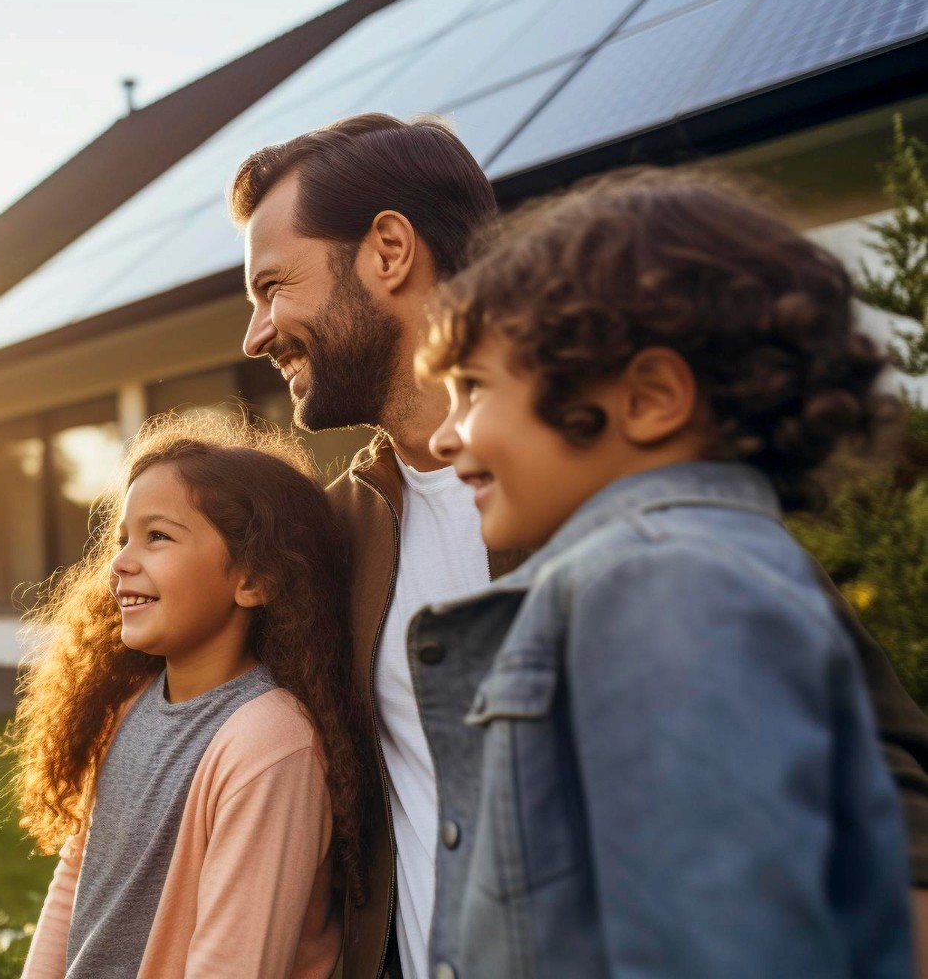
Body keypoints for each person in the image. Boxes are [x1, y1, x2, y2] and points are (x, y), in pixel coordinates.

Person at [228, 113, 928, 979]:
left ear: (390, 250)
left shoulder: (635, 512)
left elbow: (876, 794)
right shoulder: (329, 533)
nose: (254, 334)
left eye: (272, 286)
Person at [415, 166, 910, 977]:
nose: (445, 437)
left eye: (472, 388)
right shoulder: (694, 569)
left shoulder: (664, 582)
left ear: (649, 397)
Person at [12, 413, 367, 979]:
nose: (119, 563)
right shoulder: (129, 705)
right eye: (123, 539)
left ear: (253, 580)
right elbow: (76, 876)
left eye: (158, 536)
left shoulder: (269, 745)